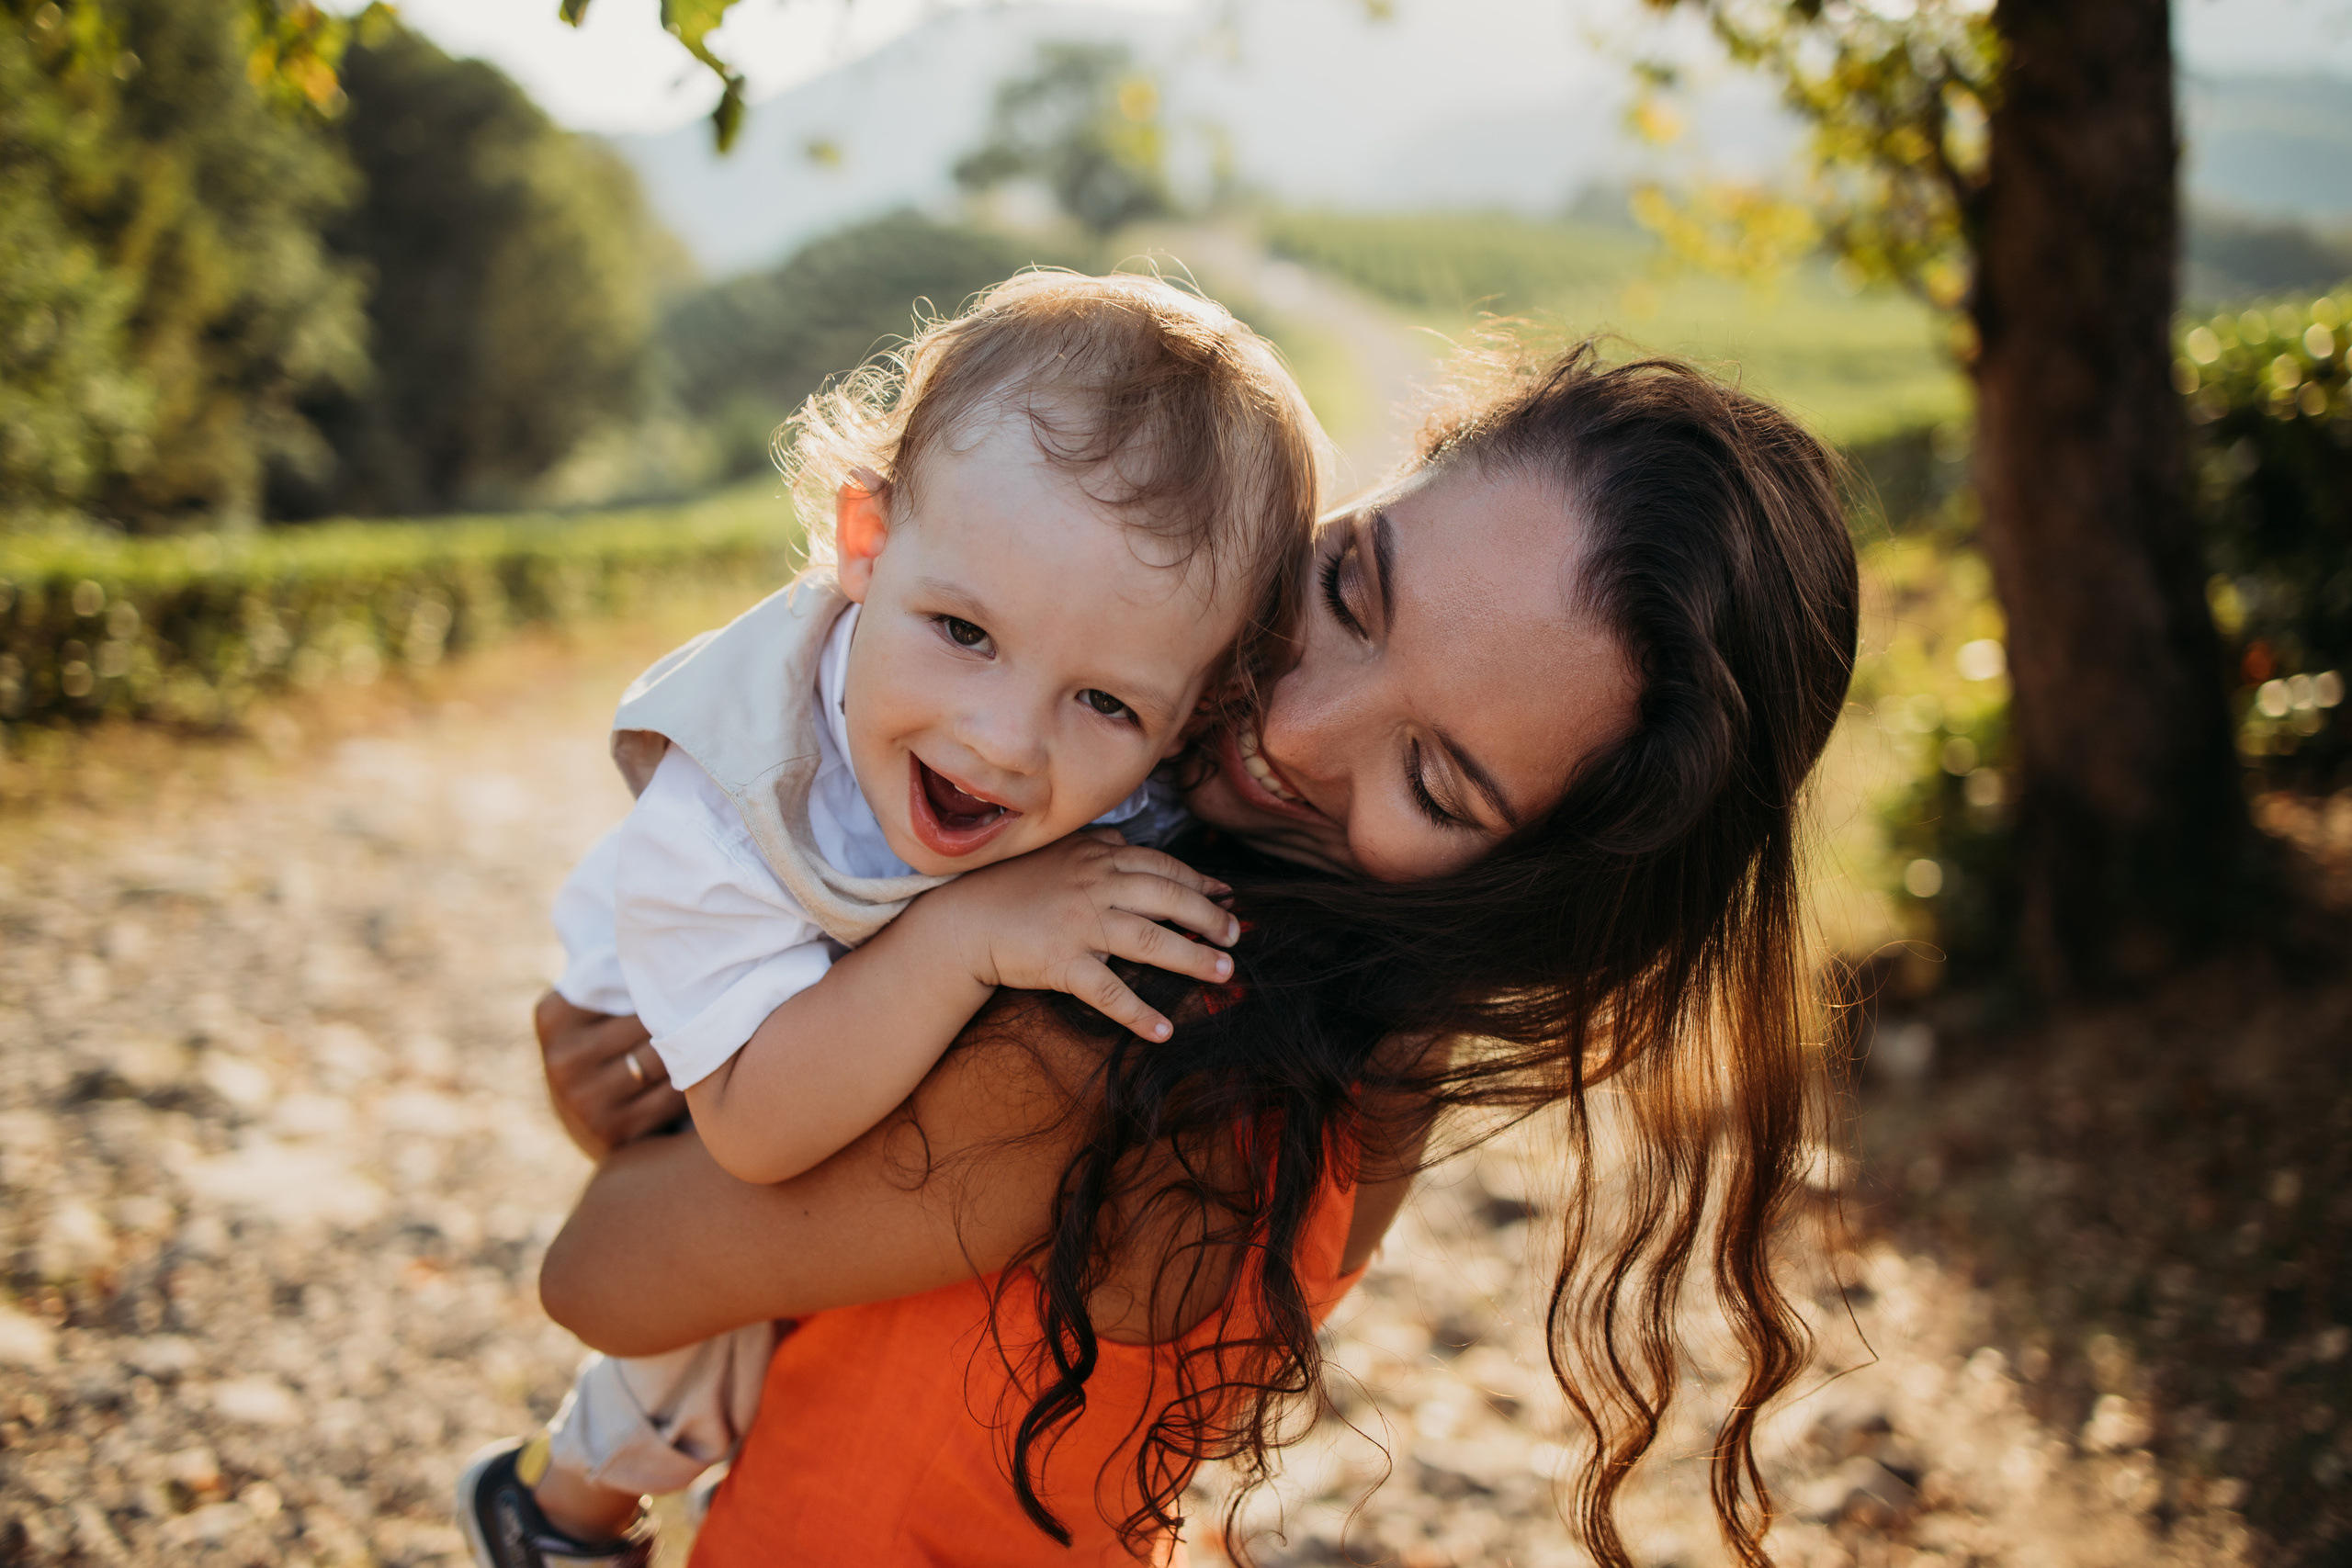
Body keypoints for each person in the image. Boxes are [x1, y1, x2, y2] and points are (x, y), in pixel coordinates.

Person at [537, 342, 1863, 1568]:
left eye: (1436, 787)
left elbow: (598, 1272)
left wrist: (672, 1116)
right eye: (1348, 585)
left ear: (1543, 884)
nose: (1293, 725)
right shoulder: (1386, 1029)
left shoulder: (1102, 1030)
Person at [458, 273, 1325, 1568]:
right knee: (704, 1332)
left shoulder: (1110, 764)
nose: (1002, 742)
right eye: (962, 630)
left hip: (852, 1026)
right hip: (714, 1046)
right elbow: (751, 1127)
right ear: (863, 544)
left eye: (1106, 705)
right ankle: (561, 1505)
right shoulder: (730, 805)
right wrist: (969, 935)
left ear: (1191, 716)